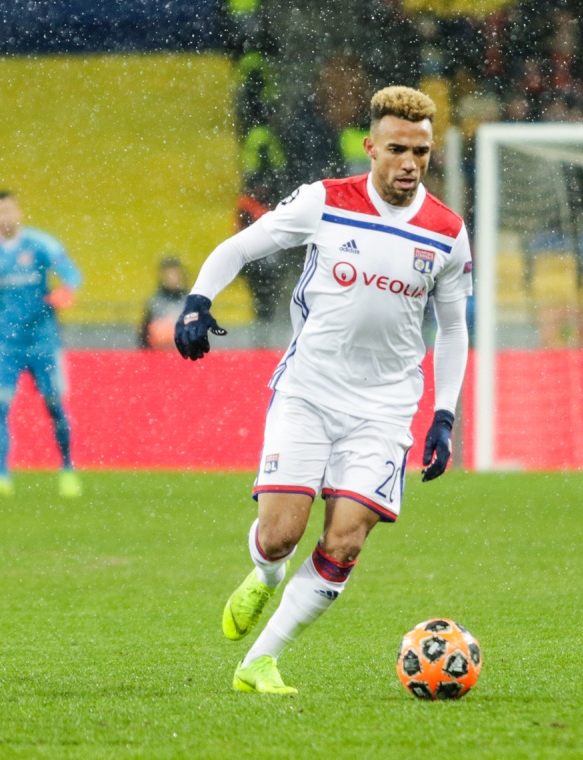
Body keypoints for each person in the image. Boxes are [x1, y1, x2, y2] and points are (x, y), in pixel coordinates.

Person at [174, 86, 472, 695]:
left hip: (386, 407)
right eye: (397, 149)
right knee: (280, 535)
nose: (409, 163)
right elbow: (241, 246)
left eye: (420, 151)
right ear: (371, 147)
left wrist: (443, 416)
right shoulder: (325, 201)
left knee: (345, 539)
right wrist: (198, 300)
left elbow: (454, 328)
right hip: (309, 392)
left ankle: (259, 662)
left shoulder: (447, 231)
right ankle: (265, 574)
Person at [0, 191, 83, 497]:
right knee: (0, 407)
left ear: (19, 212)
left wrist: (67, 289)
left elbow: (71, 272)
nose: (5, 217)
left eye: (8, 210)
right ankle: (2, 475)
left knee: (54, 406)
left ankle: (67, 469)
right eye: (0, 212)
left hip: (42, 342)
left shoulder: (40, 244)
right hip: (5, 344)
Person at [138, 257, 189, 350]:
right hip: (159, 352)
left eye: (175, 274)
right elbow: (143, 335)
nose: (172, 279)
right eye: (169, 275)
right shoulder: (153, 302)